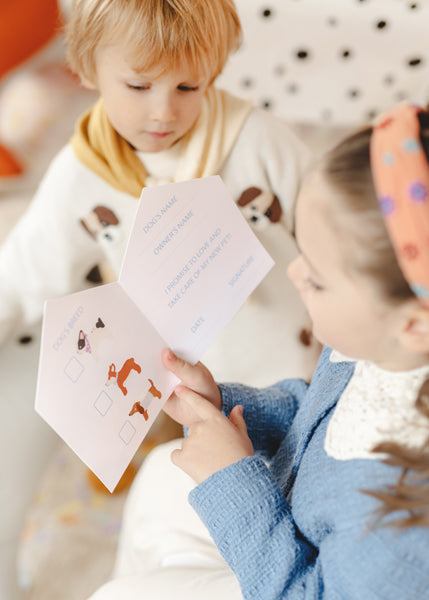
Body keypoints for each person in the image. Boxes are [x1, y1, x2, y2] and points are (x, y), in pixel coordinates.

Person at [88, 102, 429, 599]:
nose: (293, 274)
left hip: (297, 580)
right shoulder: (384, 348)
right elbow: (317, 413)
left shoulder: (403, 532)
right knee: (162, 473)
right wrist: (221, 403)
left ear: (413, 323)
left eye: (315, 276)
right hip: (291, 523)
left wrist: (231, 477)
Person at [0, 0, 320, 388]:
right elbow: (23, 276)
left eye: (188, 87)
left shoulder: (258, 142)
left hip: (305, 367)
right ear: (88, 70)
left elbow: (339, 235)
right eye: (139, 86)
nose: (164, 112)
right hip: (196, 396)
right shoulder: (83, 173)